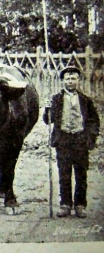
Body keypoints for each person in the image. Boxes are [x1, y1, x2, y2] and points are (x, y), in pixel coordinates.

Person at [43, 66, 100, 218]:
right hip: (63, 140)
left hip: (80, 140)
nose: (70, 81)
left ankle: (80, 205)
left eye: (73, 78)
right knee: (64, 173)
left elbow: (95, 121)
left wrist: (90, 137)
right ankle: (65, 204)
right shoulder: (56, 99)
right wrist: (47, 109)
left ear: (78, 80)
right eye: (67, 78)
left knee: (81, 174)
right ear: (63, 81)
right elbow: (48, 121)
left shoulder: (85, 100)